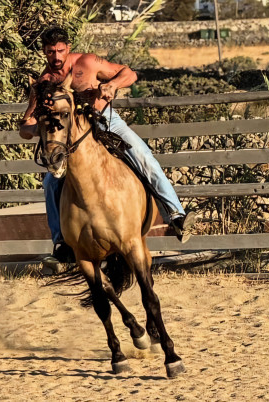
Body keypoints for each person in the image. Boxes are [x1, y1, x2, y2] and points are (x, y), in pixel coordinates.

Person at [19, 26, 196, 263]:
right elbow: (25, 124)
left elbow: (129, 74)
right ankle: (61, 243)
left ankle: (176, 216)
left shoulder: (89, 63)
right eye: (51, 52)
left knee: (143, 156)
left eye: (60, 50)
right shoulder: (44, 83)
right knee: (50, 182)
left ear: (68, 48)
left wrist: (113, 85)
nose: (57, 57)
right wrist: (38, 128)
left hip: (107, 122)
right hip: (72, 139)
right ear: (44, 52)